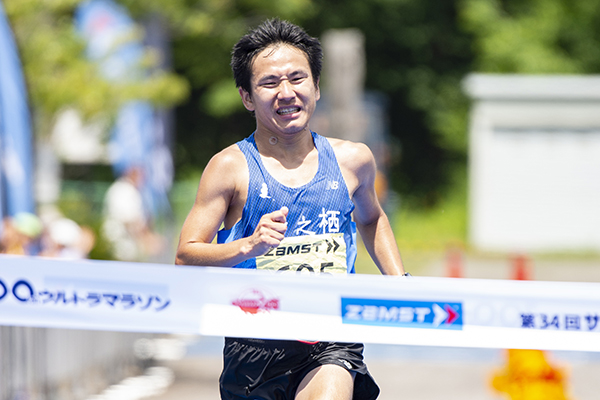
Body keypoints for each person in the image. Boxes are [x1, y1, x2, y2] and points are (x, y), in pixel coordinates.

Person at [176, 18, 406, 400]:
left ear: (316, 87)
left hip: (329, 336)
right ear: (247, 97)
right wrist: (246, 247)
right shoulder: (228, 167)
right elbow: (186, 255)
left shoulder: (353, 159)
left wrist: (399, 281)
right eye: (269, 83)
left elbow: (372, 217)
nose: (286, 92)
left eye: (297, 79)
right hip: (254, 343)